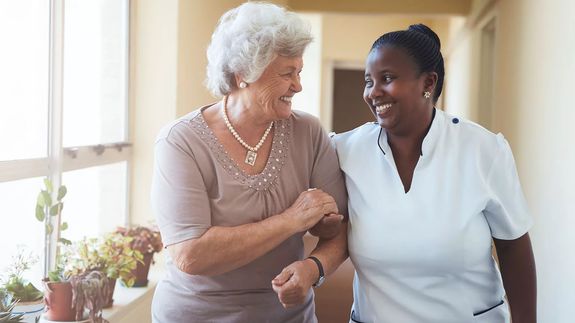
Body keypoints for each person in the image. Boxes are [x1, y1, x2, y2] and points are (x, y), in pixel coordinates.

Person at [273, 24, 536, 323]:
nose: (374, 92)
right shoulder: (344, 151)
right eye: (368, 81)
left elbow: (514, 247)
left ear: (428, 82)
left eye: (387, 78)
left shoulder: (483, 150)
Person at [149, 2, 347, 322]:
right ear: (244, 74)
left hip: (287, 314)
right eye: (287, 73)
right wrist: (292, 220)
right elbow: (191, 254)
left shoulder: (308, 132)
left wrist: (313, 268)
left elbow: (341, 229)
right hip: (197, 314)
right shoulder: (180, 141)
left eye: (299, 72)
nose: (298, 85)